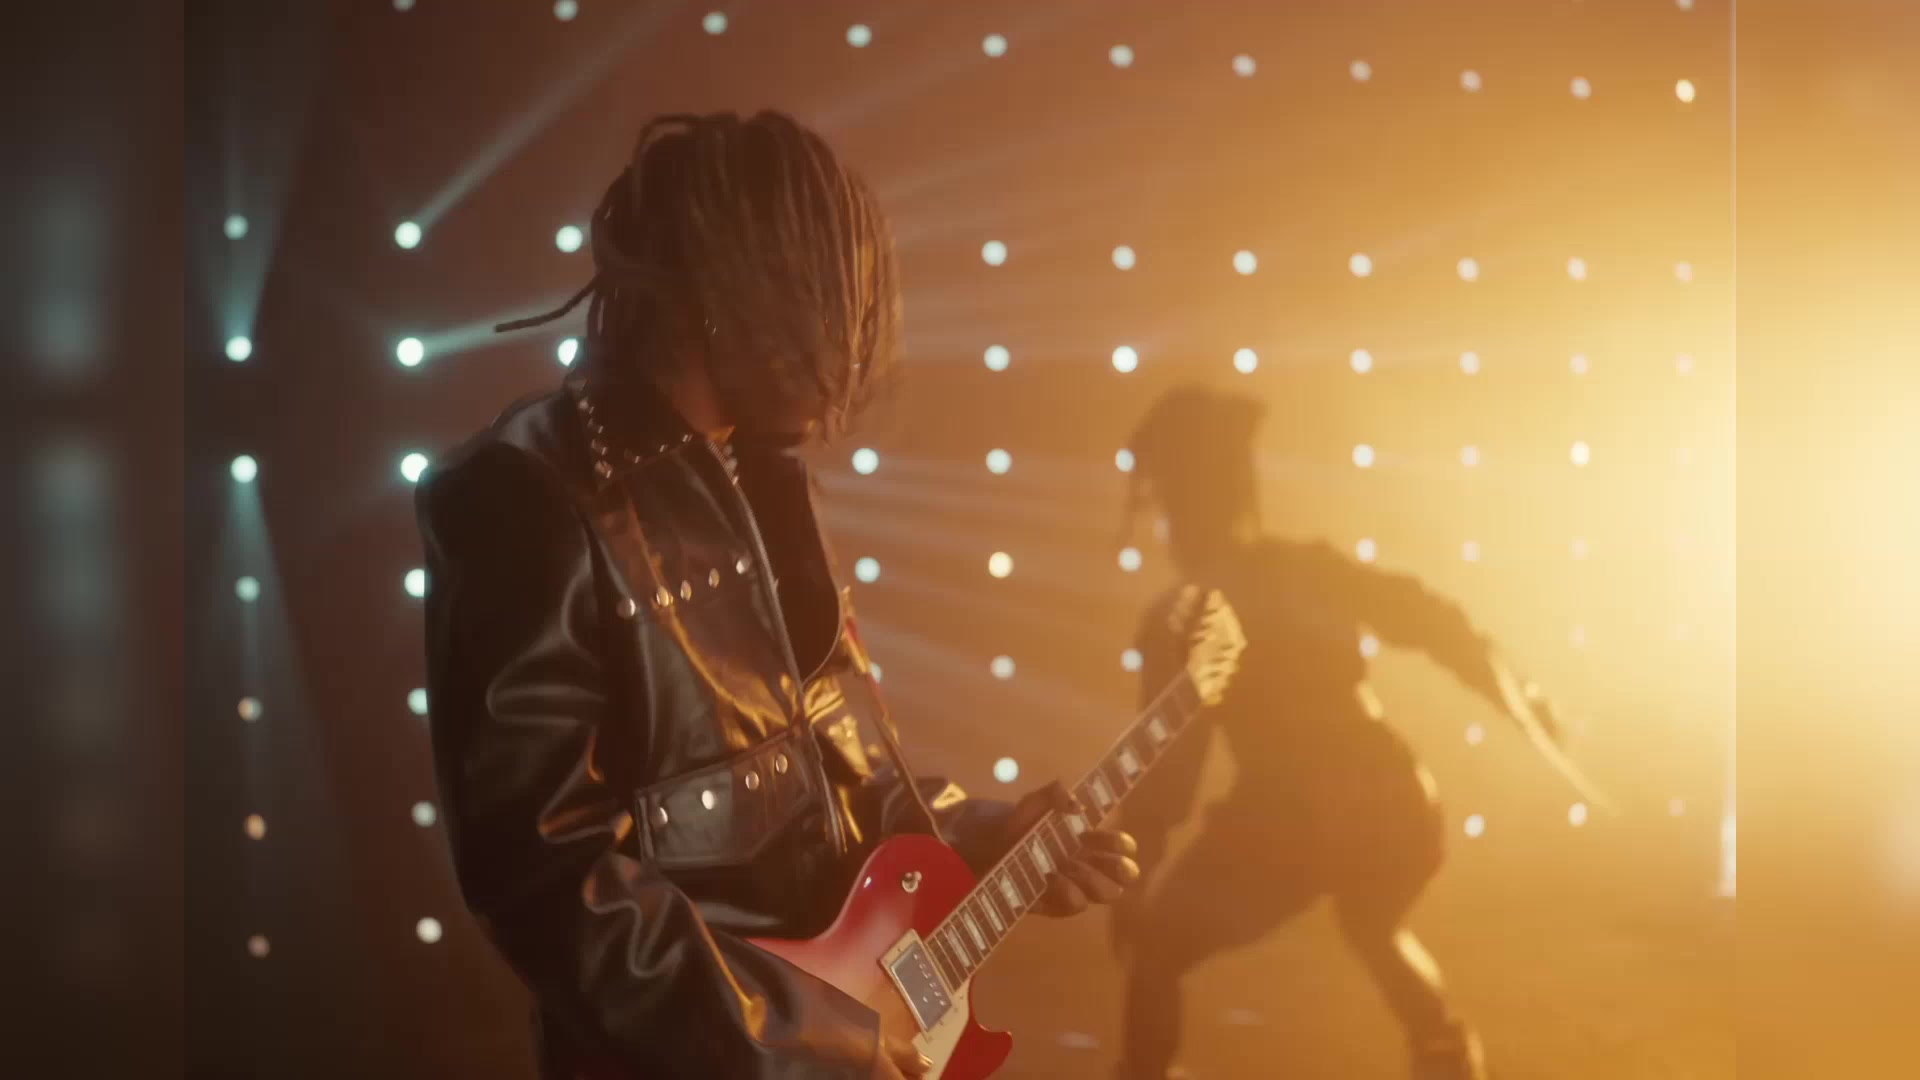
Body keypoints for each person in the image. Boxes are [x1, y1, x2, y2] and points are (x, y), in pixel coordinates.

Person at [415, 110, 1138, 1080]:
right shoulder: (523, 493)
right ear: (732, 291)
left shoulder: (768, 478)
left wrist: (984, 836)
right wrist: (808, 1039)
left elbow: (843, 774)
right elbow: (549, 885)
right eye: (826, 302)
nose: (849, 352)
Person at [1112, 385, 1579, 1080]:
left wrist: (1133, 877)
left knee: (1158, 951)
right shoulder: (1307, 570)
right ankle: (1447, 1056)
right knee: (1374, 927)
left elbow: (1166, 774)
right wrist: (1515, 692)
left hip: (1295, 818)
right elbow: (1432, 620)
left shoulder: (1186, 615)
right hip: (1386, 797)